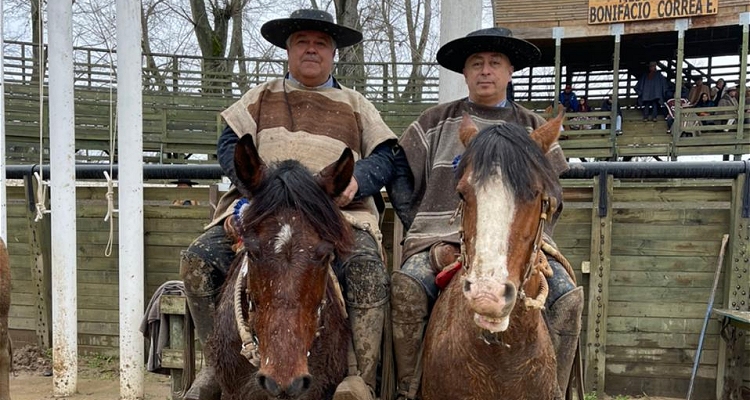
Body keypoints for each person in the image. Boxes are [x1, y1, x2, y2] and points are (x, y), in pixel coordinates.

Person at [179, 9, 400, 400]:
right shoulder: (259, 97)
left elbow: (386, 156)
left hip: (334, 213)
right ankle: (216, 364)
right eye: (302, 42)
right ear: (288, 50)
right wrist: (253, 191)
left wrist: (357, 179)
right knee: (197, 260)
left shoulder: (356, 103)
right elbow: (230, 146)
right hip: (262, 208)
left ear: (333, 54)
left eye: (320, 43)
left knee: (366, 270)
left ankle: (358, 377)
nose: (311, 50)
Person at [387, 27, 583, 400]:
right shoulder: (434, 121)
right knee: (408, 287)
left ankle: (556, 389)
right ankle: (408, 386)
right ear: (465, 73)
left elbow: (554, 194)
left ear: (510, 71)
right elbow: (399, 172)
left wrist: (533, 241)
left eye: (495, 63)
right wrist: (420, 224)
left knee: (567, 296)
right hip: (442, 237)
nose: (485, 71)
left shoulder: (531, 128)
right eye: (476, 64)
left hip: (522, 243)